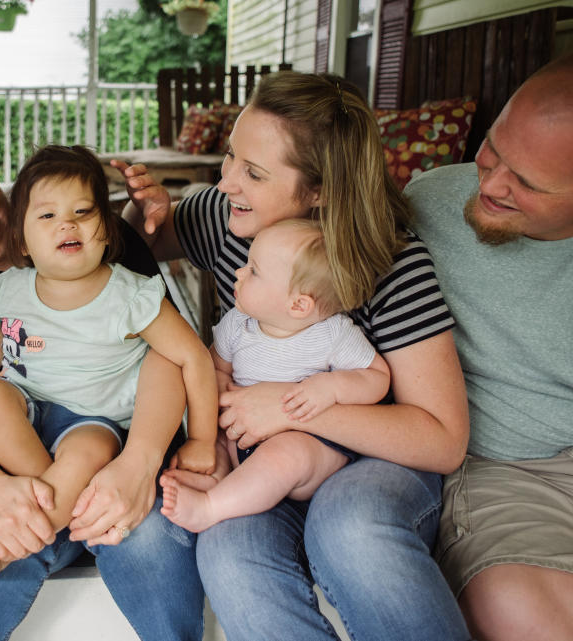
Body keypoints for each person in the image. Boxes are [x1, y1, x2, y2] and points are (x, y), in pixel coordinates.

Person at [121, 71, 472, 641]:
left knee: (348, 526)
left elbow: (442, 438)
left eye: (253, 172)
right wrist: (146, 211)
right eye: (231, 157)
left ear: (321, 191)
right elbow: (143, 245)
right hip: (261, 461)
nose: (226, 181)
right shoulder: (227, 216)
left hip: (376, 463)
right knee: (228, 547)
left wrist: (289, 409)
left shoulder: (392, 264)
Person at [0, 122, 208, 640]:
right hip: (27, 449)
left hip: (112, 435)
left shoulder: (97, 247)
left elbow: (170, 358)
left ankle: (50, 514)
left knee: (146, 536)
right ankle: (45, 512)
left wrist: (142, 460)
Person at [405, 53, 573, 641]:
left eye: (527, 182)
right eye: (493, 148)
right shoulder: (428, 201)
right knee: (517, 608)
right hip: (507, 472)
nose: (491, 182)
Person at [160, 219, 390, 533]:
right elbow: (213, 367)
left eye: (253, 271)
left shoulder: (333, 334)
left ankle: (211, 506)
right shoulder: (237, 324)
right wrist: (222, 389)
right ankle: (217, 479)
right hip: (242, 434)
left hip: (307, 448)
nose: (240, 273)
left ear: (298, 304)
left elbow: (377, 376)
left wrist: (331, 387)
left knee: (285, 456)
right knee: (216, 443)